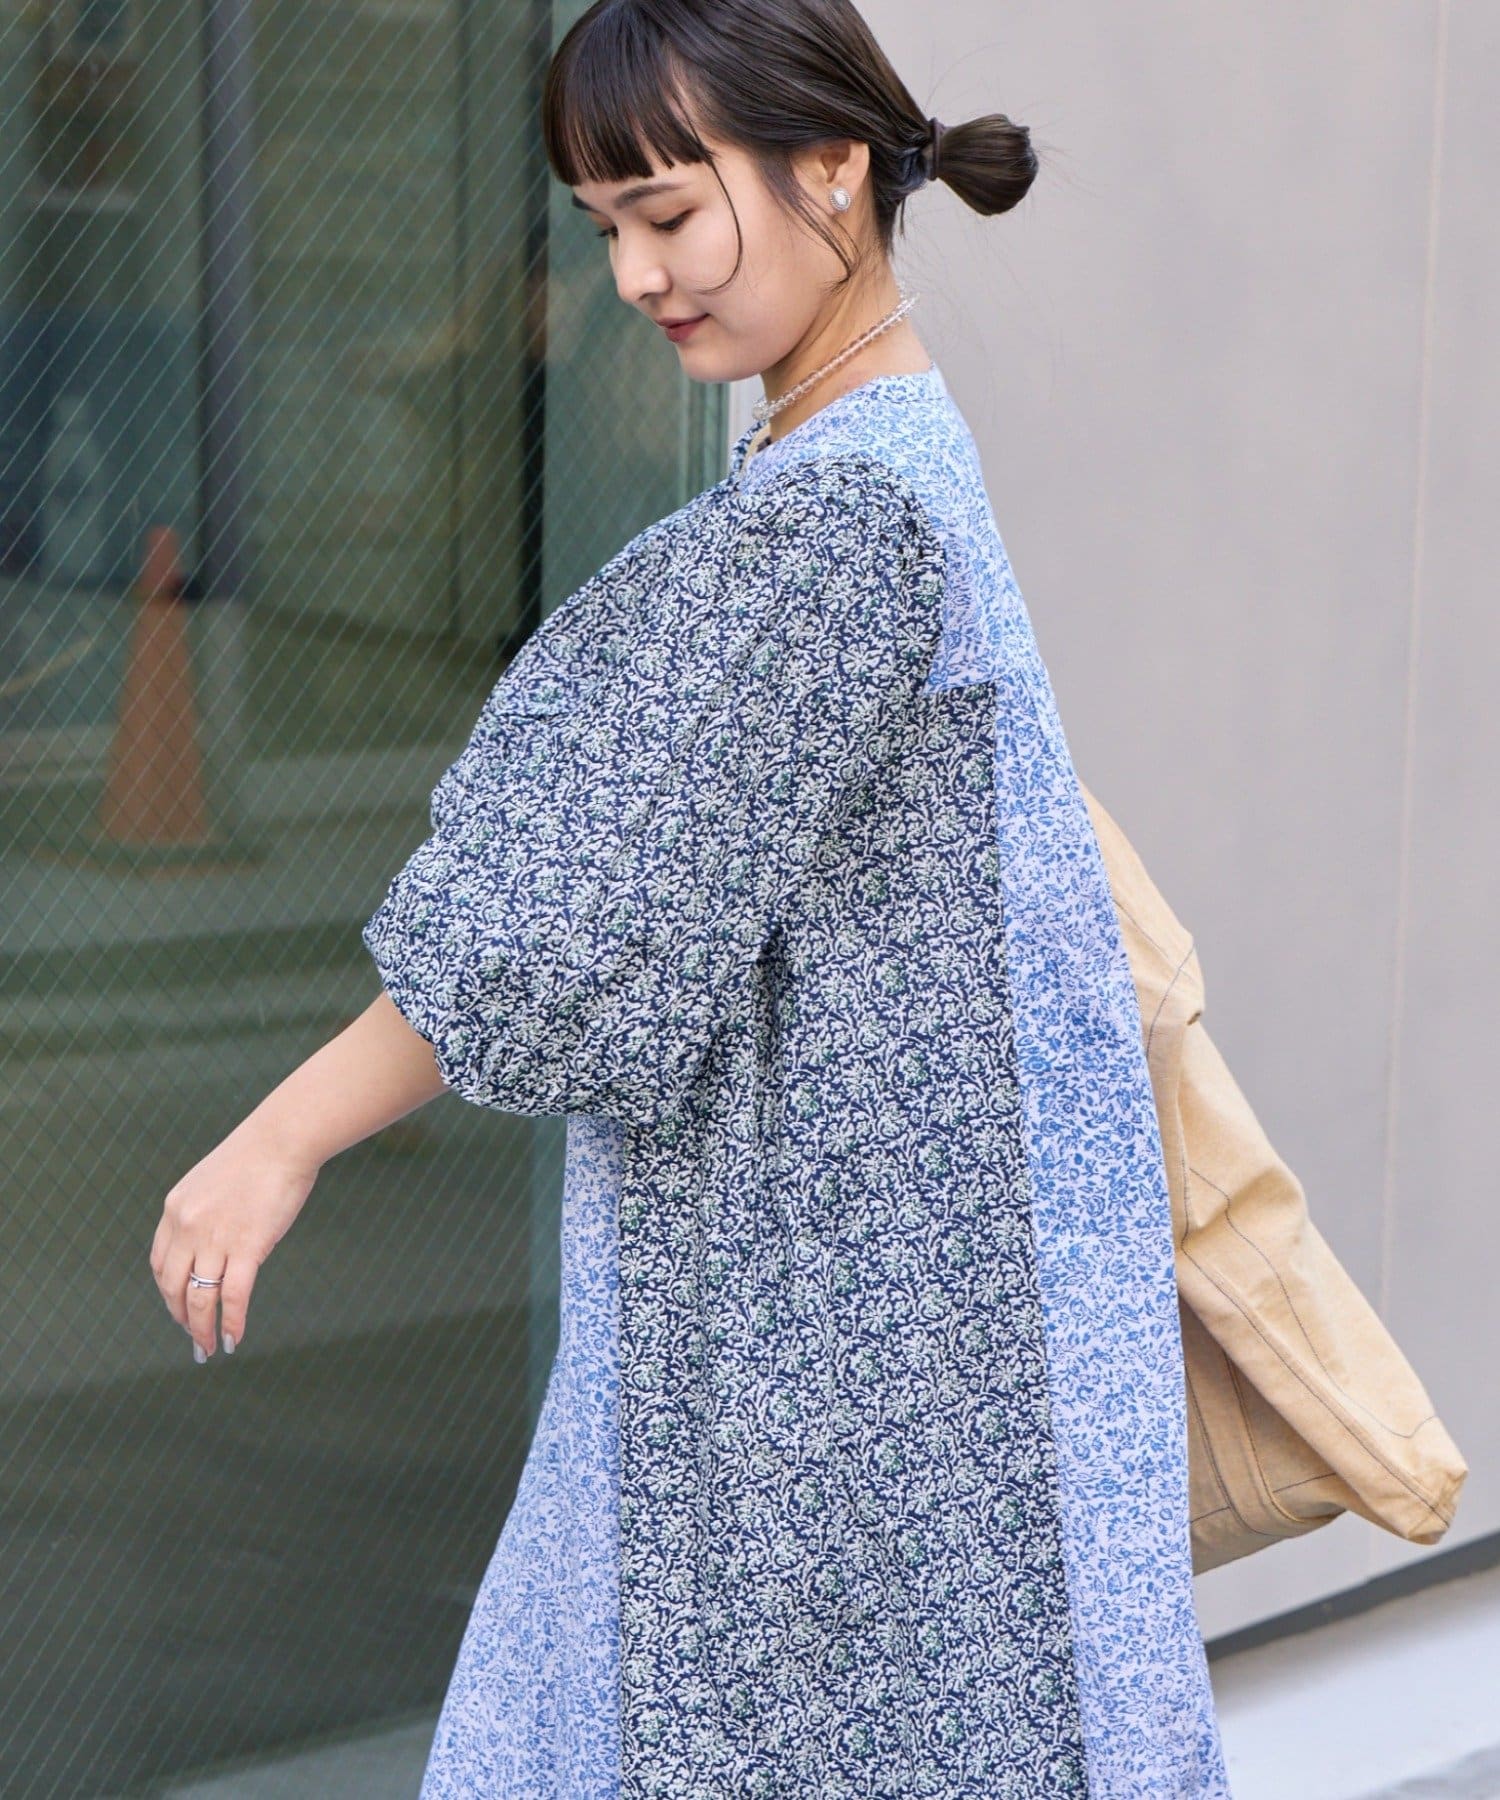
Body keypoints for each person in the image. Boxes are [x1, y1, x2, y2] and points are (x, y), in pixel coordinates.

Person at [149, 0, 1232, 1791]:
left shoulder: (833, 524)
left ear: (832, 172)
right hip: (913, 1319)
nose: (636, 275)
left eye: (667, 211)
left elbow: (579, 922)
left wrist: (281, 1139)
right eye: (605, 229)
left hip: (823, 1352)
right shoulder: (879, 460)